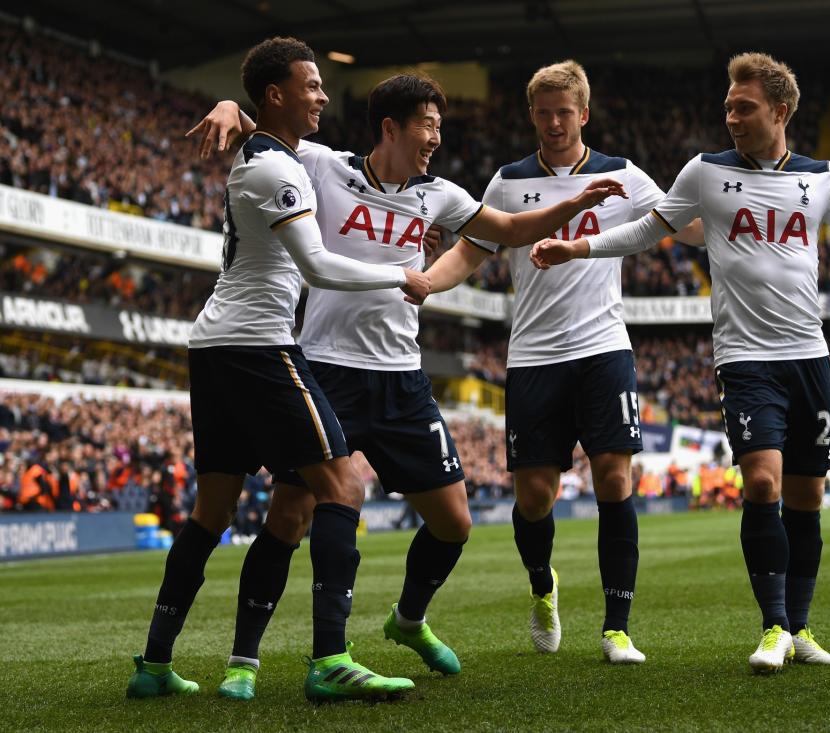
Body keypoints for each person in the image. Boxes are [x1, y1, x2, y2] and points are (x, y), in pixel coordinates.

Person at [190, 73, 627, 698]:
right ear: (390, 127)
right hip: (328, 368)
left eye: (440, 127)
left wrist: (573, 207)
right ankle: (244, 661)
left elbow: (503, 229)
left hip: (402, 379)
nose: (436, 138)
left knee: (454, 522)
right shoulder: (321, 165)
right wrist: (233, 103)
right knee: (290, 515)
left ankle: (409, 619)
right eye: (428, 125)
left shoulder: (440, 194)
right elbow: (265, 138)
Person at [530, 52, 830, 673]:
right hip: (744, 358)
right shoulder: (705, 172)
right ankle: (772, 625)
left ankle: (799, 629)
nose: (730, 117)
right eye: (727, 106)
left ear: (780, 110)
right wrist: (578, 247)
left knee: (806, 498)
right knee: (764, 482)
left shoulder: (824, 177)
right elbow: (647, 230)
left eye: (743, 107)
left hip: (810, 356)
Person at [126, 37, 432, 703]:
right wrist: (400, 275)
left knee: (210, 512)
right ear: (277, 94)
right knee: (342, 482)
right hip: (258, 347)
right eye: (312, 84)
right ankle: (330, 658)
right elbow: (319, 266)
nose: (323, 95)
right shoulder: (278, 170)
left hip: (215, 346)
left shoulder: (270, 158)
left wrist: (233, 107)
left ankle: (153, 663)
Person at [424, 60, 702, 663]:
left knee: (614, 479)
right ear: (532, 115)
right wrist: (426, 281)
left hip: (604, 348)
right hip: (534, 356)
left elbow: (685, 226)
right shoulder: (507, 183)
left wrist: (748, 224)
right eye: (543, 112)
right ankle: (542, 585)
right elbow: (471, 252)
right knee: (535, 499)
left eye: (564, 112)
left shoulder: (622, 174)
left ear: (584, 113)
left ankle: (617, 628)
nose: (554, 122)